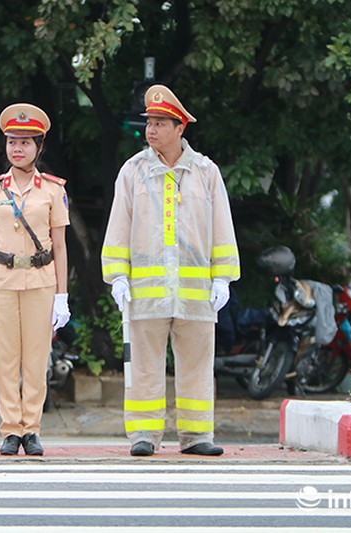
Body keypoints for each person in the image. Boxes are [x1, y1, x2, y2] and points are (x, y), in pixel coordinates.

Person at [101, 85, 240, 457]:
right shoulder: (132, 171)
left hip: (196, 291)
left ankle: (196, 436)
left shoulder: (206, 171)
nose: (151, 130)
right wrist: (117, 275)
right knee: (145, 366)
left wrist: (223, 276)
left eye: (161, 123)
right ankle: (144, 436)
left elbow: (222, 225)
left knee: (197, 365)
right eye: (149, 123)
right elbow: (119, 225)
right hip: (147, 289)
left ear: (180, 129)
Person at [0, 103, 71, 456]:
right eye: (13, 141)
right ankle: (10, 429)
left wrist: (63, 295)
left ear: (39, 147)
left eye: (26, 142)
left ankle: (32, 428)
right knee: (6, 358)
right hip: (1, 280)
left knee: (35, 357)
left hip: (41, 281)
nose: (18, 148)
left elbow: (59, 245)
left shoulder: (54, 190)